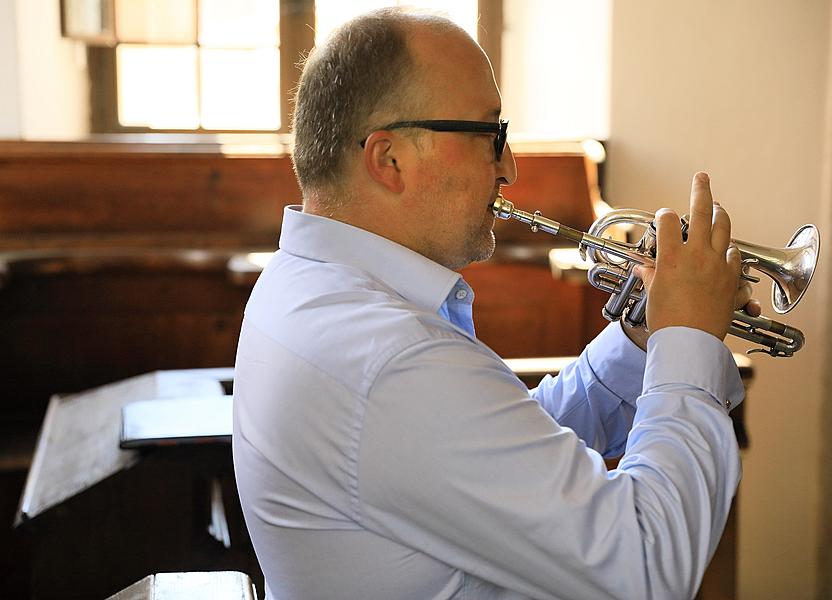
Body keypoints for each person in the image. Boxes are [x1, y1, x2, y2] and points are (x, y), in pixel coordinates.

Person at [232, 8, 754, 599]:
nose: (509, 167)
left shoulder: (310, 288)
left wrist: (643, 336)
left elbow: (499, 454)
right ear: (390, 159)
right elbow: (649, 566)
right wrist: (689, 339)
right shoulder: (392, 359)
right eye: (490, 135)